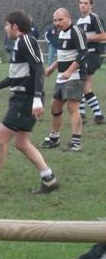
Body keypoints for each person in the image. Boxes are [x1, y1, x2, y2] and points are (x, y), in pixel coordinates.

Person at [0, 11, 59, 194]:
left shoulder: (26, 40)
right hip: (21, 99)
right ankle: (49, 179)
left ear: (14, 26)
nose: (5, 28)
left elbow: (38, 69)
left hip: (24, 101)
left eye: (6, 25)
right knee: (21, 142)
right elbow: (16, 76)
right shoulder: (19, 43)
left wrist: (36, 99)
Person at [42, 8, 88, 152]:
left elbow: (83, 53)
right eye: (55, 20)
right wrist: (53, 67)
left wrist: (69, 70)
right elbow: (63, 56)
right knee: (55, 106)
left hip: (75, 75)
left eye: (60, 19)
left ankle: (76, 143)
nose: (57, 23)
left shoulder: (77, 31)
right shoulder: (61, 33)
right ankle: (54, 138)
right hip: (62, 76)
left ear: (69, 18)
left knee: (72, 108)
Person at [75, 0, 106, 124]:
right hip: (83, 56)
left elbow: (104, 35)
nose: (83, 5)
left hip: (92, 55)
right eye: (81, 2)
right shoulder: (78, 21)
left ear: (91, 5)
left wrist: (87, 38)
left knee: (85, 85)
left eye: (86, 3)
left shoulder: (95, 18)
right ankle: (82, 113)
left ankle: (98, 115)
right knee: (81, 84)